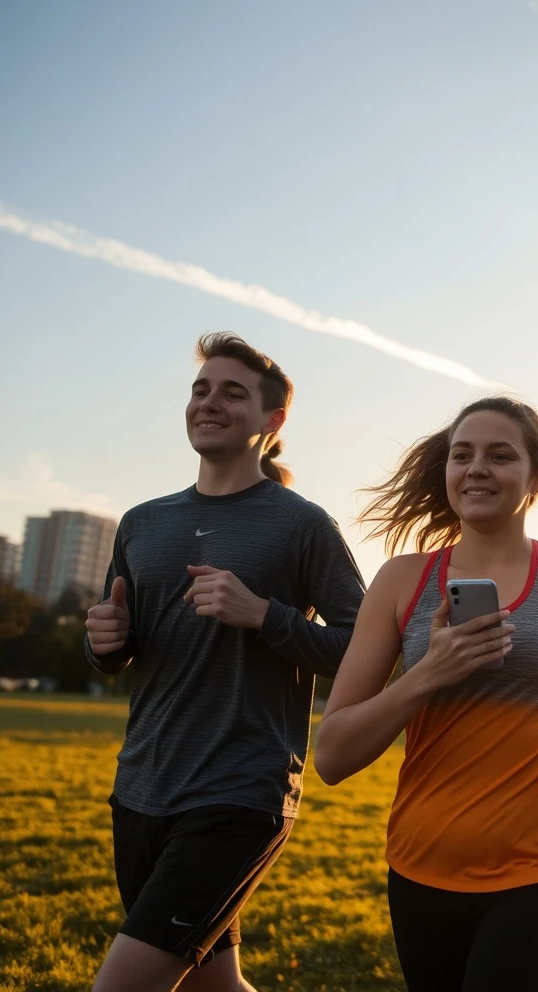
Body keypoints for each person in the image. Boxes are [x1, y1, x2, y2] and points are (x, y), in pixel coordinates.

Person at [313, 396, 538, 992]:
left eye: (500, 456)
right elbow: (333, 756)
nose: (476, 468)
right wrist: (428, 673)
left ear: (536, 479)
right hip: (420, 870)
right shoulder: (401, 581)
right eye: (462, 455)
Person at [84, 333, 365, 992]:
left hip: (239, 795)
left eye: (231, 392)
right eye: (200, 389)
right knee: (214, 986)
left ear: (273, 421)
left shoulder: (303, 526)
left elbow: (366, 648)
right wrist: (104, 642)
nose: (208, 402)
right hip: (141, 791)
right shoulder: (141, 523)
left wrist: (266, 616)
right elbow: (114, 646)